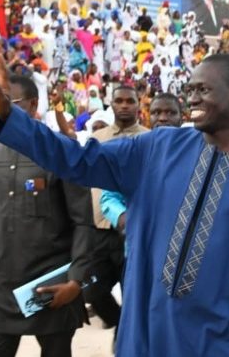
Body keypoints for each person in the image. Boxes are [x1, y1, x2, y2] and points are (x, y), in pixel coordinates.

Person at [0, 48, 229, 356]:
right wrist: (10, 117)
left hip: (225, 344)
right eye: (190, 90)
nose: (193, 99)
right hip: (148, 338)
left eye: (203, 90)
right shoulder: (156, 149)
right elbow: (77, 159)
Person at [0, 74, 94, 357]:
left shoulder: (61, 151)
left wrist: (76, 280)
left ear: (33, 104)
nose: (1, 109)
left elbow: (83, 222)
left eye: (9, 102)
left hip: (51, 285)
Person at [85, 85, 148, 336]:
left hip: (133, 229)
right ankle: (122, 325)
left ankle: (127, 339)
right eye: (119, 100)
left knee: (131, 290)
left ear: (138, 105)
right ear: (111, 104)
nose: (124, 105)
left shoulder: (149, 138)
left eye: (129, 101)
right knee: (91, 290)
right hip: (99, 227)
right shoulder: (97, 139)